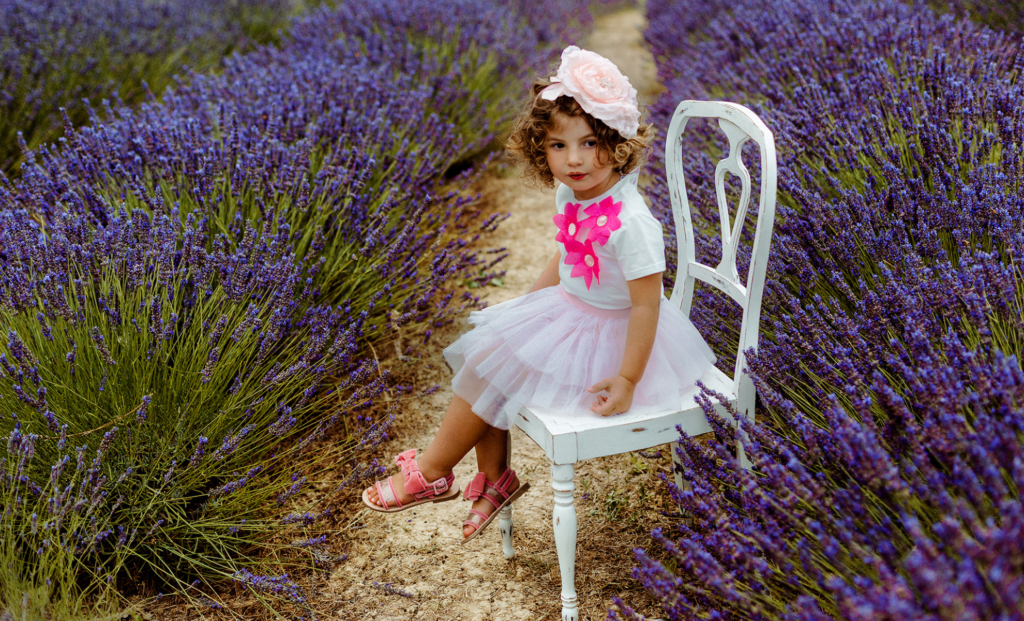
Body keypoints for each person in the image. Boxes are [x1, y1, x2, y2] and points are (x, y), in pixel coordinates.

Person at [362, 46, 716, 542]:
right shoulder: (573, 191)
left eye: (590, 142)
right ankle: (493, 479)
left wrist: (628, 378)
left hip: (618, 341)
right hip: (574, 311)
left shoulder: (632, 223)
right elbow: (568, 255)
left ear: (616, 142)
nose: (574, 160)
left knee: (492, 364)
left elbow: (645, 304)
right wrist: (526, 310)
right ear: (539, 150)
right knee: (491, 350)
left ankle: (432, 471)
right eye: (557, 146)